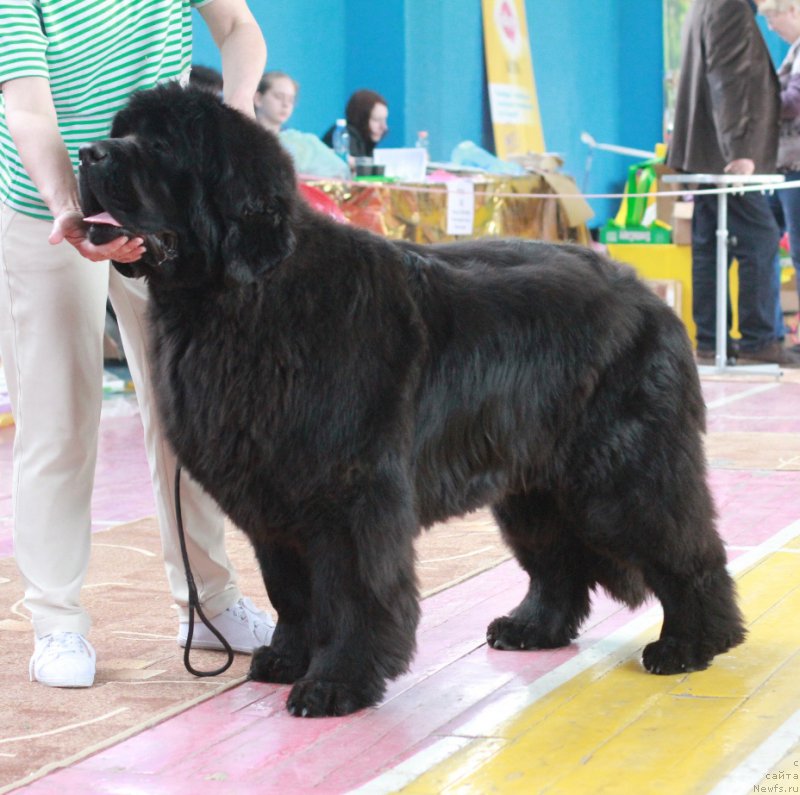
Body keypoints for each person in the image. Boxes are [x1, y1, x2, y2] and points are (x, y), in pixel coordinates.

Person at [0, 0, 274, 689]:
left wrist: (231, 120)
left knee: (187, 411)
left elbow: (239, 30)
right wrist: (73, 209)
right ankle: (57, 621)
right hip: (46, 206)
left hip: (161, 201)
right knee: (58, 418)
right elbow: (30, 110)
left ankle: (209, 602)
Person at [667, 0, 800, 366]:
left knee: (710, 246)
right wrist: (740, 148)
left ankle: (711, 343)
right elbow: (730, 78)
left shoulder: (705, 5)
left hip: (706, 150)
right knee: (758, 238)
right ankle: (760, 342)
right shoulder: (729, 7)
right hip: (728, 155)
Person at [760, 0, 800, 340]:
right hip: (784, 167)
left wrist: (757, 96)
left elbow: (793, 102)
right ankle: (773, 330)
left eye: (774, 16)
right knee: (763, 241)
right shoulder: (794, 52)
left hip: (796, 169)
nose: (770, 25)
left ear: (794, 11)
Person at [254, 71, 348, 178]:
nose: (285, 104)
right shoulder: (244, 140)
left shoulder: (305, 143)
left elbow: (341, 172)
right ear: (258, 99)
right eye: (279, 97)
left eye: (291, 100)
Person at [322, 89, 389, 158]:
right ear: (361, 119)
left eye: (384, 120)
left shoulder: (365, 143)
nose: (384, 127)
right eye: (376, 119)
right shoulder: (347, 135)